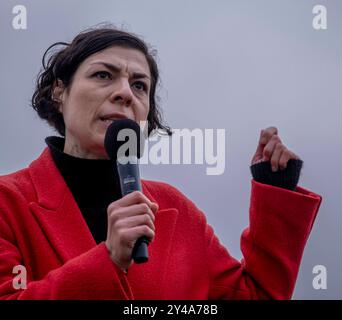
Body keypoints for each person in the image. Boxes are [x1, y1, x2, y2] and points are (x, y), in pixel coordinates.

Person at [0, 25, 322, 300]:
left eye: (139, 85)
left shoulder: (175, 209)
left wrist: (275, 191)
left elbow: (254, 294)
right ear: (59, 91)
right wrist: (107, 260)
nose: (125, 92)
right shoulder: (8, 202)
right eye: (103, 75)